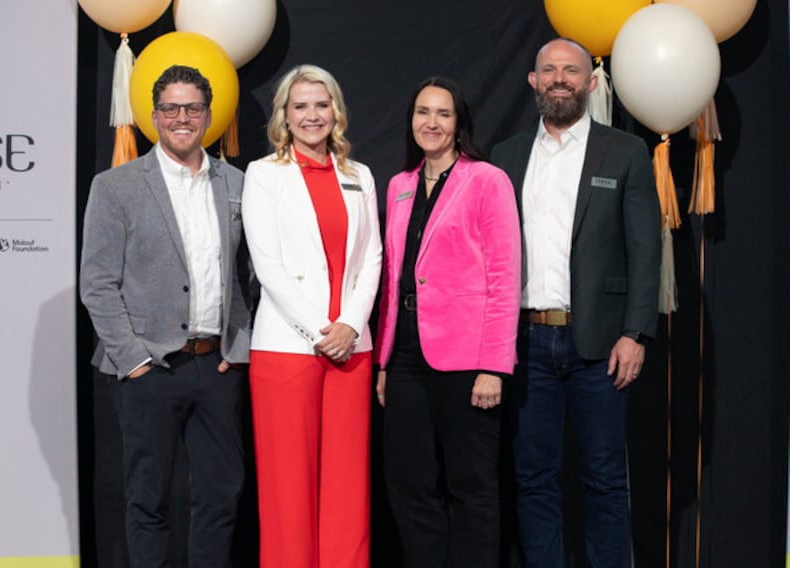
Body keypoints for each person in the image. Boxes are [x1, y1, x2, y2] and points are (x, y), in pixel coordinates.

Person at [491, 38, 661, 567]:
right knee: (533, 478)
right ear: (533, 81)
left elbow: (646, 250)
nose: (559, 78)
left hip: (603, 342)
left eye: (571, 70)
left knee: (605, 479)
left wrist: (636, 334)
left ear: (590, 83)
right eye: (549, 70)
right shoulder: (507, 156)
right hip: (526, 343)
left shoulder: (625, 151)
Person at [80, 65, 252, 567]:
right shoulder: (116, 187)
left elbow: (253, 274)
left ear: (208, 115)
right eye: (171, 108)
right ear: (154, 116)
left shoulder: (238, 183)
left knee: (222, 495)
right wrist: (133, 359)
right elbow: (97, 284)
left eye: (193, 107)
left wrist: (239, 348)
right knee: (147, 499)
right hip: (147, 368)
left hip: (217, 367)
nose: (183, 118)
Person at [374, 76, 522, 567]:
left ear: (459, 124)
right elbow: (393, 279)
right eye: (422, 112)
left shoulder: (486, 180)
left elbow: (505, 278)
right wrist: (383, 361)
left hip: (467, 360)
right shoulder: (399, 186)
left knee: (472, 485)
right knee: (409, 482)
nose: (430, 122)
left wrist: (494, 366)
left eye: (442, 113)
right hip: (407, 359)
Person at [241, 64, 382, 568]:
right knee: (288, 490)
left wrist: (349, 325)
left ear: (335, 111)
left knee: (347, 487)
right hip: (286, 349)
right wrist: (322, 332)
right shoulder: (263, 174)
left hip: (352, 350)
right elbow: (268, 265)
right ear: (284, 114)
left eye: (321, 105)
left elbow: (373, 259)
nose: (311, 115)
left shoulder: (359, 174)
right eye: (300, 106)